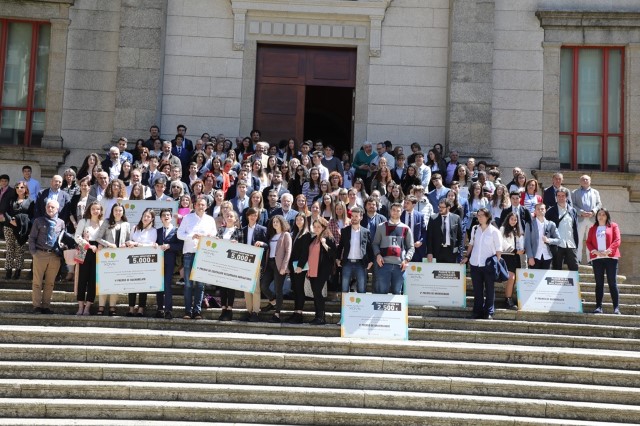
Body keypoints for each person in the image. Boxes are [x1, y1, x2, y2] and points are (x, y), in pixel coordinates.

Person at [177, 196, 217, 320]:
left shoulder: (210, 220)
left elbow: (214, 234)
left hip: (203, 254)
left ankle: (197, 311)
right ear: (194, 206)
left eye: (203, 205)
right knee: (188, 284)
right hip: (189, 253)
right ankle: (188, 311)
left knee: (200, 285)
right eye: (199, 204)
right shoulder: (187, 218)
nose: (200, 206)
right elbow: (179, 234)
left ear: (206, 206)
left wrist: (209, 236)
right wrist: (191, 236)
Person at [461, 208, 502, 320]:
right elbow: (471, 244)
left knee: (489, 289)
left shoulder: (494, 231)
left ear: (488, 216)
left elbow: (499, 250)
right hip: (475, 263)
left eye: (482, 215)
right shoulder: (475, 229)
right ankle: (477, 311)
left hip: (488, 265)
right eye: (478, 215)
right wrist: (467, 257)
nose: (479, 217)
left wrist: (497, 263)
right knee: (477, 290)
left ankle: (489, 312)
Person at [28, 199, 65, 314]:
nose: (50, 209)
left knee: (50, 283)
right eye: (48, 207)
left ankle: (46, 306)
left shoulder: (61, 223)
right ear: (45, 208)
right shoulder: (38, 221)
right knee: (37, 282)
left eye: (53, 207)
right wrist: (34, 253)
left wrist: (63, 245)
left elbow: (63, 238)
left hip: (55, 256)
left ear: (57, 209)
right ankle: (36, 306)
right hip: (40, 254)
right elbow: (32, 238)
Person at [95, 203, 131, 315]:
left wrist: (126, 244)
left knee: (115, 283)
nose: (118, 212)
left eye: (120, 210)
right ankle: (101, 307)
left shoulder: (126, 224)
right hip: (107, 256)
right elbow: (98, 238)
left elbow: (128, 239)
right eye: (116, 210)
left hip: (120, 257)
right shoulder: (106, 222)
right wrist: (109, 244)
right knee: (104, 282)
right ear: (112, 211)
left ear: (123, 212)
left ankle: (112, 307)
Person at [372, 202, 414, 295]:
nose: (395, 212)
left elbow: (411, 247)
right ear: (390, 211)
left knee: (397, 293)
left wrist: (407, 260)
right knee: (382, 292)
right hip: (384, 265)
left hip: (400, 266)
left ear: (401, 212)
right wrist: (378, 255)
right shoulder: (381, 226)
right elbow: (375, 244)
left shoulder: (406, 228)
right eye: (393, 210)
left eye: (398, 211)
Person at [586, 208, 621, 315]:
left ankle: (616, 308)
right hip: (597, 259)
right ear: (596, 216)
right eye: (599, 214)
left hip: (611, 258)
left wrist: (608, 251)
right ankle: (598, 307)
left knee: (612, 282)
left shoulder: (613, 226)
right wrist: (595, 251)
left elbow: (617, 240)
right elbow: (588, 242)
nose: (601, 216)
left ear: (607, 216)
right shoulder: (593, 228)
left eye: (603, 215)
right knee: (599, 283)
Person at [259, 215, 292, 323]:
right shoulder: (272, 236)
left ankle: (277, 314)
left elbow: (288, 252)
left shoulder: (286, 235)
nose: (275, 224)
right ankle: (273, 302)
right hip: (270, 264)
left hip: (280, 265)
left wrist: (284, 267)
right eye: (273, 222)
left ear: (282, 223)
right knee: (263, 286)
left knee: (278, 290)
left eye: (277, 222)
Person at [74, 201, 103, 316]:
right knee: (82, 279)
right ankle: (80, 306)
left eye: (98, 209)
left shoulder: (103, 223)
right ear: (89, 210)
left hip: (97, 253)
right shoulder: (83, 221)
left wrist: (102, 245)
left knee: (92, 281)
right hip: (84, 251)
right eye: (93, 209)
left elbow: (105, 238)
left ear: (101, 211)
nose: (95, 211)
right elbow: (76, 237)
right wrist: (88, 245)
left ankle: (88, 307)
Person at [239, 207, 268, 322]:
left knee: (255, 289)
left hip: (256, 262)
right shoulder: (243, 229)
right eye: (251, 215)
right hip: (244, 261)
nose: (253, 217)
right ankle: (249, 311)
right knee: (246, 288)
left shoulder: (262, 229)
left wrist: (262, 243)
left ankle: (256, 312)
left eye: (255, 215)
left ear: (257, 217)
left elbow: (267, 245)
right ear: (247, 216)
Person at [307, 217, 337, 325]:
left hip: (322, 270)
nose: (316, 229)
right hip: (312, 270)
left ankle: (321, 317)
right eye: (314, 227)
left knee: (318, 292)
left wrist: (324, 244)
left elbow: (334, 254)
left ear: (324, 227)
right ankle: (318, 316)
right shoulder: (313, 238)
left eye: (318, 227)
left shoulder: (328, 238)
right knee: (315, 293)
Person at [336, 207, 373, 294]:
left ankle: (362, 307)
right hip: (347, 262)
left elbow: (369, 248)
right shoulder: (345, 231)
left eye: (356, 216)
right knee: (344, 288)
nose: (354, 218)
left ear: (361, 217)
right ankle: (344, 307)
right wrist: (337, 259)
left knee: (361, 288)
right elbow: (340, 246)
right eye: (352, 216)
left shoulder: (366, 232)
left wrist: (371, 261)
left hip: (361, 263)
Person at [155, 208, 183, 319]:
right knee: (159, 286)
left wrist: (170, 246)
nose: (166, 216)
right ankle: (159, 309)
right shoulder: (157, 231)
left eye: (168, 215)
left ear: (171, 218)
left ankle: (168, 310)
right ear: (161, 218)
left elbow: (181, 246)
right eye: (164, 215)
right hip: (157, 262)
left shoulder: (177, 231)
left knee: (167, 285)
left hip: (170, 262)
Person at [215, 210, 244, 321]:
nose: (229, 217)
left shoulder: (239, 231)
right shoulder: (220, 230)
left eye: (231, 216)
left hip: (233, 263)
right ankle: (223, 309)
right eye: (227, 216)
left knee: (231, 287)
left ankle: (230, 310)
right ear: (224, 218)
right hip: (221, 261)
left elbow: (242, 248)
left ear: (235, 219)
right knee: (222, 287)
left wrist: (237, 245)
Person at [4, 182, 34, 280]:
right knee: (10, 249)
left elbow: (31, 216)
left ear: (26, 189)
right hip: (9, 227)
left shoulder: (30, 201)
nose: (19, 189)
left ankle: (17, 271)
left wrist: (22, 223)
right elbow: (5, 211)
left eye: (22, 187)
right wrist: (11, 221)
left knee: (20, 250)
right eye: (17, 187)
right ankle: (8, 271)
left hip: (22, 229)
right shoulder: (11, 199)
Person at [285, 213, 311, 323]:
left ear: (305, 221)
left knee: (299, 289)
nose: (299, 221)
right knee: (295, 289)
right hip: (292, 265)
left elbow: (305, 252)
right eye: (297, 219)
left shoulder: (306, 234)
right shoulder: (295, 233)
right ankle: (295, 312)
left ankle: (299, 313)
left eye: (301, 219)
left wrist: (300, 266)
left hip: (300, 266)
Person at [545, 187, 579, 271]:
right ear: (556, 197)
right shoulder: (551, 211)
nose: (560, 198)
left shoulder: (573, 211)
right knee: (556, 268)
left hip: (571, 244)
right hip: (557, 244)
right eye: (558, 196)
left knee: (574, 268)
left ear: (566, 197)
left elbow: (575, 228)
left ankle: (574, 284)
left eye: (563, 196)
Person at [572, 175, 602, 264]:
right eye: (583, 179)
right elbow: (572, 205)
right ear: (580, 181)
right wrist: (581, 212)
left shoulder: (595, 192)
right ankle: (577, 259)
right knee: (579, 240)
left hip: (591, 219)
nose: (585, 181)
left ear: (590, 181)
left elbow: (599, 204)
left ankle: (591, 260)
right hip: (580, 218)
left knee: (591, 240)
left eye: (587, 179)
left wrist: (593, 211)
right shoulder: (575, 192)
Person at [524, 203, 560, 270]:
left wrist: (548, 240)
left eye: (542, 209)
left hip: (548, 256)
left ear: (545, 210)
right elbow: (527, 241)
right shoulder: (529, 224)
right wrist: (530, 257)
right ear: (535, 211)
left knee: (546, 280)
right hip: (535, 257)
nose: (540, 210)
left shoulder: (551, 224)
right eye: (538, 209)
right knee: (534, 280)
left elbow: (558, 240)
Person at [427, 199, 464, 264]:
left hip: (451, 252)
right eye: (439, 207)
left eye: (442, 207)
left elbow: (460, 236)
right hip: (437, 252)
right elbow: (429, 237)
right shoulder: (433, 218)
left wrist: (460, 251)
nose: (440, 209)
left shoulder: (456, 218)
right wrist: (429, 252)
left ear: (448, 207)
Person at [500, 212, 524, 310]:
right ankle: (508, 299)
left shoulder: (517, 231)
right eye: (511, 219)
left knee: (514, 278)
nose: (513, 221)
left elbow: (520, 242)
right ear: (508, 219)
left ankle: (510, 298)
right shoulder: (502, 229)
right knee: (511, 277)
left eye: (515, 220)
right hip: (507, 255)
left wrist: (521, 249)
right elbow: (502, 242)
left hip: (516, 256)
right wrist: (514, 250)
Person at [401, 196, 427, 262]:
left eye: (408, 203)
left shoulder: (420, 216)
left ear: (413, 205)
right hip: (403, 248)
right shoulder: (400, 215)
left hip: (417, 249)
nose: (405, 205)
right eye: (405, 203)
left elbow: (424, 231)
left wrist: (421, 241)